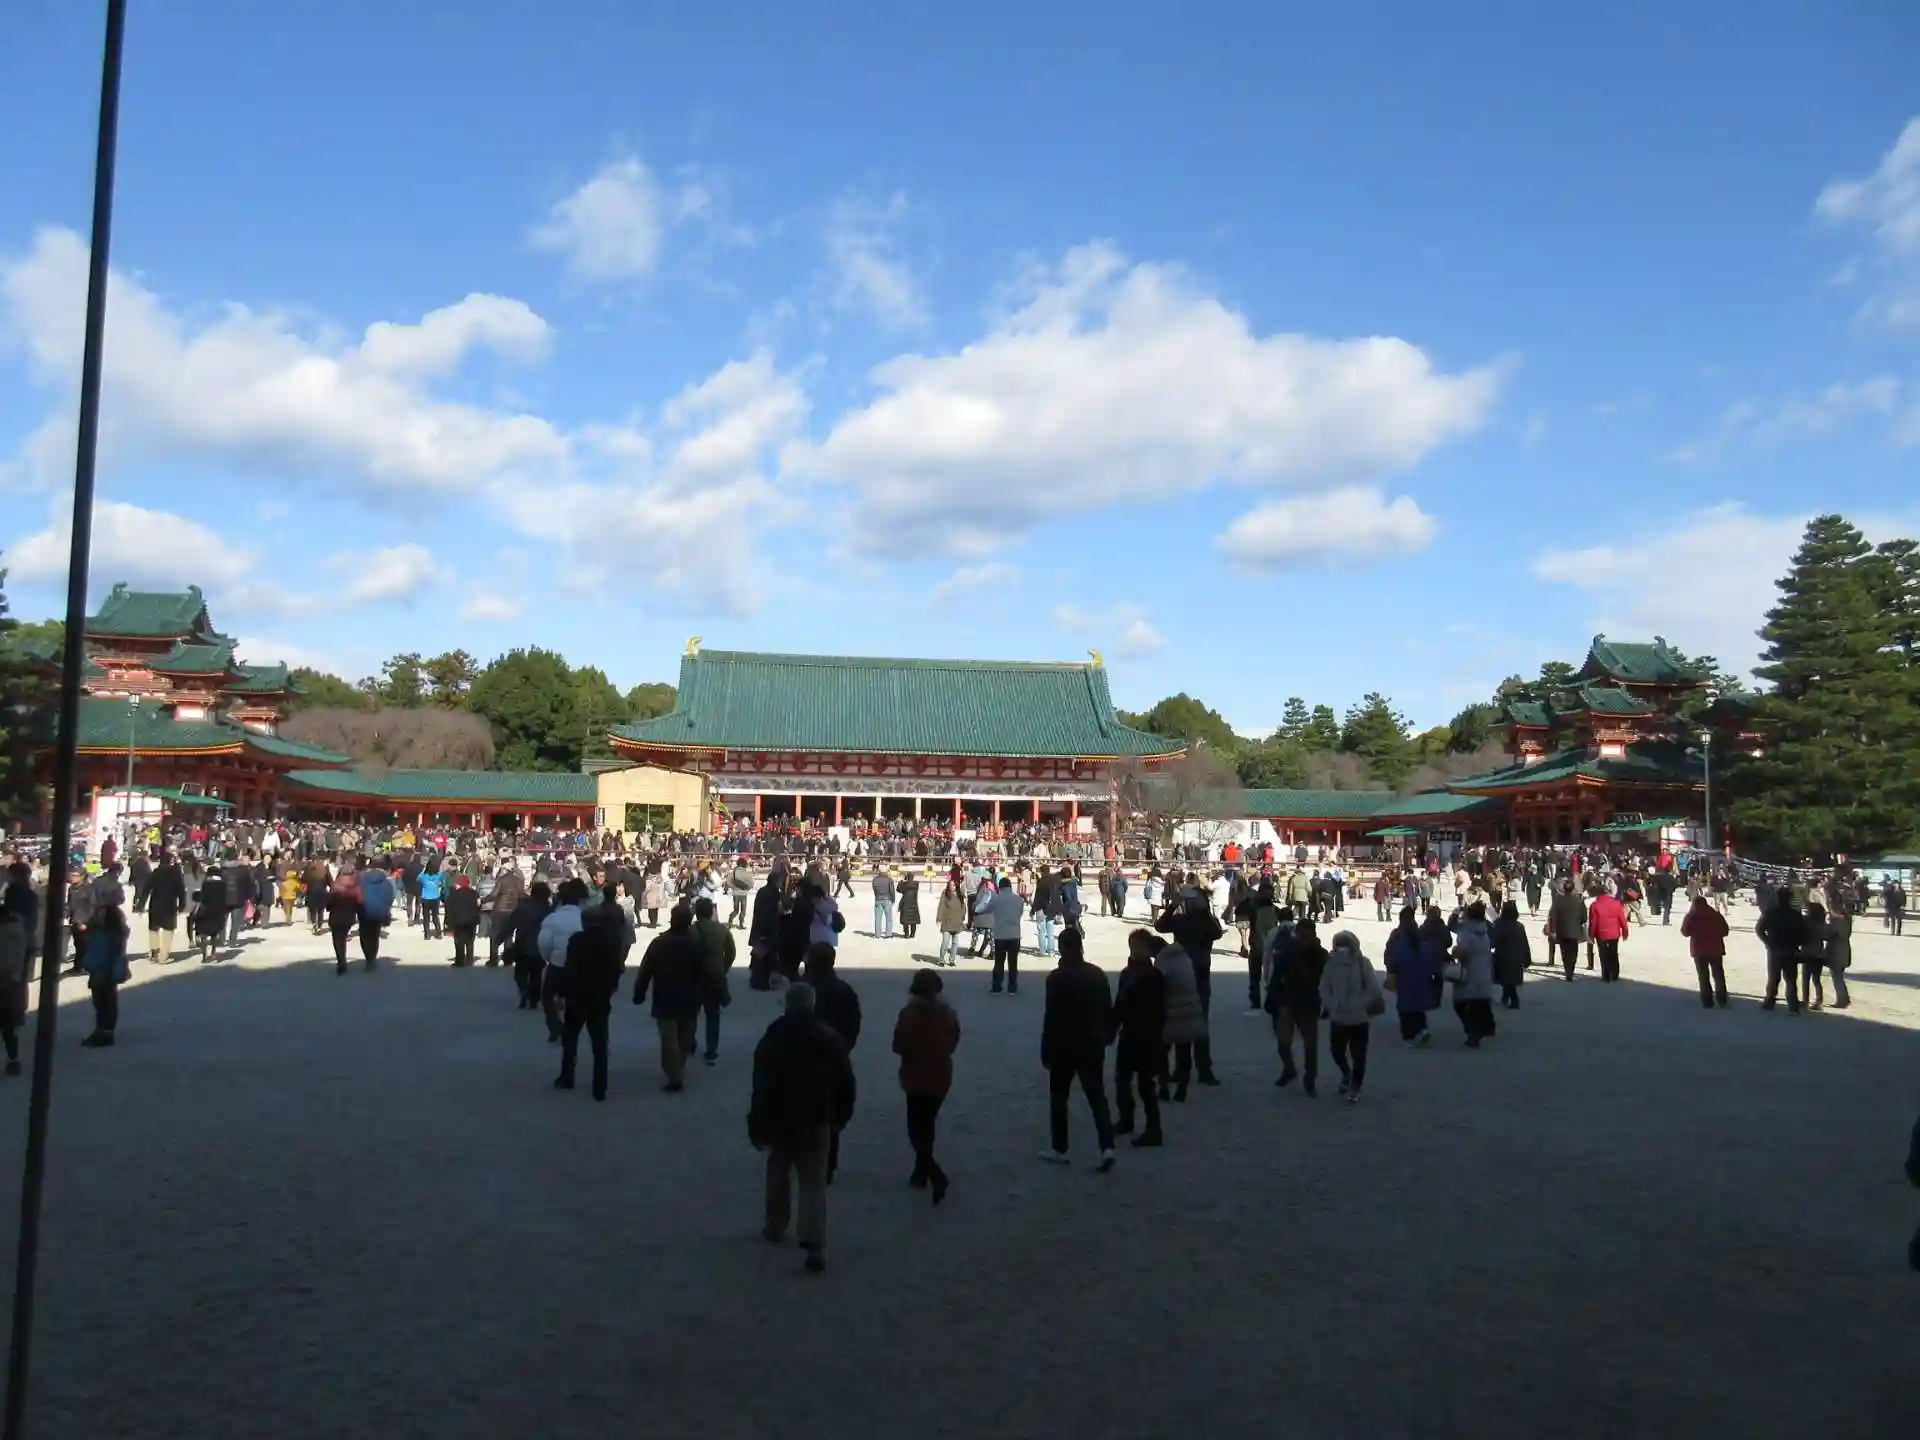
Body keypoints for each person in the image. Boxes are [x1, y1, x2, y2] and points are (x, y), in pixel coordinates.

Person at [750, 982, 856, 1274]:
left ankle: (775, 1225)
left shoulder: (774, 1035)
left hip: (781, 1116)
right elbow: (845, 1080)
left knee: (778, 1174)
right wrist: (841, 1115)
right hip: (817, 1117)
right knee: (813, 1181)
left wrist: (757, 1120)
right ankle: (814, 1240)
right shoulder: (828, 1036)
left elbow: (761, 1082)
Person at [1038, 927, 1116, 1171]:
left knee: (1059, 1099)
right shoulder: (1097, 974)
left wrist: (1046, 1049)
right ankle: (1107, 1147)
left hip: (1064, 1045)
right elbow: (1108, 1010)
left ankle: (1059, 1147)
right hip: (1092, 1043)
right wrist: (1107, 1036)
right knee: (1097, 1097)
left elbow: (1051, 1017)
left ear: (1062, 948)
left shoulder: (1056, 978)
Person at [892, 968, 960, 1203]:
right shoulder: (949, 1014)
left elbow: (898, 1045)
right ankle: (921, 1172)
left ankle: (932, 1172)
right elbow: (954, 1042)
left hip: (916, 1074)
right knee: (927, 1123)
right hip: (941, 1073)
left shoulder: (909, 1015)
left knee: (916, 1128)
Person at [631, 904, 708, 1093]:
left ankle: (674, 1074)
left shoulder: (660, 943)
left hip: (665, 997)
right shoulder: (697, 943)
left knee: (669, 1038)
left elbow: (646, 969)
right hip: (690, 998)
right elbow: (707, 970)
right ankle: (678, 1067)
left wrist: (639, 991)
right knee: (685, 1036)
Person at [802, 941, 862, 1181]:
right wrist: (844, 1047)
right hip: (835, 1057)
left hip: (808, 1060)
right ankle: (828, 1165)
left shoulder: (805, 989)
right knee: (831, 1114)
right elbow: (854, 1024)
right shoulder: (844, 990)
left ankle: (807, 1159)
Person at [557, 902, 623, 1102]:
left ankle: (567, 1076)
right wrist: (611, 987)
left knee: (570, 1039)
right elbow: (617, 968)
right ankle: (600, 1085)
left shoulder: (577, 940)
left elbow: (569, 968)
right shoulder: (612, 941)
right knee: (600, 1044)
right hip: (600, 997)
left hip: (578, 996)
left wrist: (564, 991)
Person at [1112, 929, 1167, 1146]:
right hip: (1129, 1035)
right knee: (1122, 1081)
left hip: (1147, 1038)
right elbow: (1119, 1004)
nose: (1134, 950)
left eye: (1139, 946)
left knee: (1145, 1086)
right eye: (1132, 945)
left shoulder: (1154, 976)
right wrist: (1111, 1028)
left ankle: (1154, 1129)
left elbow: (1159, 1011)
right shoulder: (1127, 974)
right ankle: (1126, 1120)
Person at [1319, 929, 1384, 1103]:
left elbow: (1374, 988)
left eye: (1345, 944)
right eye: (1339, 944)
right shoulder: (1331, 963)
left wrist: (1359, 1003)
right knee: (1336, 1051)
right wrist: (1332, 1004)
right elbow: (1324, 986)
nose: (1342, 948)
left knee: (1358, 1055)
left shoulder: (1363, 963)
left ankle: (1355, 1086)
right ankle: (1346, 1073)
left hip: (1359, 1018)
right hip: (1338, 1017)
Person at [1267, 916, 1327, 1094]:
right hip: (1288, 1000)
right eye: (1301, 936)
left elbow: (1327, 981)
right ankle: (1289, 1069)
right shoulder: (1287, 952)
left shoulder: (1321, 955)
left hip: (1309, 1003)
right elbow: (1276, 976)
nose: (1303, 940)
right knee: (1283, 1041)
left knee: (1310, 1043)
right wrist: (1273, 995)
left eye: (1306, 936)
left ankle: (1310, 1078)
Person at [80, 902, 131, 1048]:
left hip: (101, 971)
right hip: (107, 971)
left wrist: (87, 961)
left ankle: (103, 1031)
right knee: (107, 1002)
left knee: (102, 1003)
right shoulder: (116, 933)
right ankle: (105, 1031)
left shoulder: (103, 935)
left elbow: (98, 953)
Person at [691, 896, 735, 1065]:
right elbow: (731, 952)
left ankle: (689, 1042)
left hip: (694, 977)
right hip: (715, 976)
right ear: (711, 912)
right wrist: (723, 968)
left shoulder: (691, 931)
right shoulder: (722, 929)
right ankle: (711, 1050)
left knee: (691, 1013)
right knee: (713, 1015)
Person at [1384, 906, 1437, 1046]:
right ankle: (1422, 1029)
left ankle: (1409, 1037)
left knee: (1405, 1008)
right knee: (1418, 1005)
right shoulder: (1420, 933)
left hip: (1404, 974)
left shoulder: (1397, 935)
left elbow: (1391, 953)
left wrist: (1390, 969)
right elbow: (1429, 951)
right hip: (1421, 973)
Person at [1449, 901, 1498, 1047]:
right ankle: (1484, 1028)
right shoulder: (1484, 931)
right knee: (1479, 1005)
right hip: (1484, 972)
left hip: (1469, 973)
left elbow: (1463, 952)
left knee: (1460, 1004)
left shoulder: (1466, 932)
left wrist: (1455, 951)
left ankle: (1473, 1033)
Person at [505, 880, 555, 1017]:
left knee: (520, 973)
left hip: (523, 945)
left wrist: (500, 938)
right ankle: (534, 998)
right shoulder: (548, 910)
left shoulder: (522, 907)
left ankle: (524, 992)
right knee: (536, 974)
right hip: (539, 946)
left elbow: (510, 923)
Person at [1755, 888, 1807, 1014]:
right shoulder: (1795, 914)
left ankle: (1770, 1001)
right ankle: (1793, 1005)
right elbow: (1804, 933)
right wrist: (1798, 944)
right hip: (1790, 949)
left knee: (1774, 977)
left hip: (1775, 949)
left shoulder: (1771, 912)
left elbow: (1759, 929)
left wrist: (1767, 942)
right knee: (1791, 979)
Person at [1679, 893, 1731, 1008]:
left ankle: (1707, 1001)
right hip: (1716, 949)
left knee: (1703, 976)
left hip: (1699, 950)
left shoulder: (1691, 916)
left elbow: (1685, 932)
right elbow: (1725, 931)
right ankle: (1722, 999)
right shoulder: (1716, 915)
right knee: (1718, 975)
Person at [0, 898, 29, 1075]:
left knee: (7, 1024)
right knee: (8, 1026)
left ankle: (13, 1060)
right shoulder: (18, 929)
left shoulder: (8, 933)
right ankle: (13, 1060)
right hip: (11, 981)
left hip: (6, 981)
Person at [145, 851, 187, 965]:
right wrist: (182, 904)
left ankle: (154, 953)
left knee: (154, 929)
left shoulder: (156, 872)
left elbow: (147, 888)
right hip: (169, 905)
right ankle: (163, 956)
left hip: (155, 904)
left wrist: (140, 905)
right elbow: (181, 890)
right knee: (168, 930)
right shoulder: (176, 874)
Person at [1490, 900, 1531, 1009]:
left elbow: (1492, 942)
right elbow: (1524, 943)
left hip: (1503, 957)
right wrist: (1527, 956)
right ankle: (1505, 997)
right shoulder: (1520, 926)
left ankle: (1514, 999)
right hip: (1518, 957)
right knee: (1510, 978)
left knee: (1507, 979)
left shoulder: (1499, 925)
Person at [1546, 878, 1587, 980]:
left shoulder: (1558, 900)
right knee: (1573, 951)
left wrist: (1553, 929)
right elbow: (1584, 917)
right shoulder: (1579, 900)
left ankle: (1567, 970)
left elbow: (1553, 915)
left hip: (1562, 929)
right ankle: (1571, 970)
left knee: (1564, 951)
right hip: (1575, 929)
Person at [357, 861, 395, 970]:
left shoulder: (361, 880)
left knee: (364, 935)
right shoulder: (386, 882)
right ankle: (372, 958)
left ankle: (367, 955)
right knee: (374, 935)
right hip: (379, 911)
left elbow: (357, 894)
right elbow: (390, 897)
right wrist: (386, 908)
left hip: (364, 910)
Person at [989, 876, 1024, 994]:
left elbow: (987, 909)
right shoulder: (1018, 899)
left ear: (1000, 887)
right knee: (1013, 963)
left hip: (1000, 934)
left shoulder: (996, 898)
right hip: (1014, 934)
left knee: (999, 962)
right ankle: (1012, 988)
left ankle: (997, 987)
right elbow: (1020, 913)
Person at [1587, 885, 1629, 983]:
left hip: (1600, 933)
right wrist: (1625, 932)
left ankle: (1606, 975)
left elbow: (1593, 922)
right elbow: (1622, 919)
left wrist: (1591, 934)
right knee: (1613, 952)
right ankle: (1615, 974)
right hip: (1614, 932)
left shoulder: (1595, 905)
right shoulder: (1616, 904)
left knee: (1603, 954)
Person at [487, 859, 525, 965]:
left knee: (494, 935)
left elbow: (494, 894)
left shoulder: (501, 880)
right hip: (513, 911)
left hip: (499, 910)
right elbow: (522, 895)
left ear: (506, 870)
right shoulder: (519, 881)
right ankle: (508, 959)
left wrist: (483, 900)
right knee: (509, 935)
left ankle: (493, 960)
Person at [325, 869, 363, 975]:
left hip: (335, 917)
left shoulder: (335, 886)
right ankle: (342, 960)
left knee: (337, 940)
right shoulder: (355, 887)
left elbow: (328, 904)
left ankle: (341, 961)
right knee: (342, 938)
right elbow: (359, 904)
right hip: (348, 918)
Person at [192, 863, 228, 964]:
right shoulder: (224, 885)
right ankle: (213, 952)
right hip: (218, 912)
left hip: (207, 911)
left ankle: (204, 956)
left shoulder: (206, 884)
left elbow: (203, 898)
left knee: (204, 934)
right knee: (214, 934)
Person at [1801, 901, 1832, 1012]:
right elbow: (1826, 936)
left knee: (1806, 979)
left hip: (1807, 952)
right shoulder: (1822, 924)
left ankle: (1805, 1001)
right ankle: (1819, 1001)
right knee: (1816, 979)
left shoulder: (1807, 922)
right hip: (1819, 953)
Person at [444, 874, 482, 967]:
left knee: (459, 942)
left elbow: (449, 909)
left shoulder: (454, 894)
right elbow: (478, 905)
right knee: (470, 941)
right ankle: (469, 960)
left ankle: (459, 961)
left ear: (460, 883)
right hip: (471, 921)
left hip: (459, 921)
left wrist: (448, 922)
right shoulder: (474, 893)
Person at [934, 878, 968, 968]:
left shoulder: (960, 895)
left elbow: (963, 907)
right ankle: (941, 960)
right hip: (947, 921)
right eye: (951, 885)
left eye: (954, 885)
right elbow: (941, 906)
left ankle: (952, 960)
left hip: (957, 922)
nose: (952, 887)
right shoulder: (945, 894)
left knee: (955, 943)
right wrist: (939, 919)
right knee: (945, 942)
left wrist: (962, 917)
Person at [727, 860, 755, 930]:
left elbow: (728, 882)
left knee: (735, 910)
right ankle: (741, 924)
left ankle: (730, 922)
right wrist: (745, 889)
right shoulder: (746, 874)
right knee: (743, 910)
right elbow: (751, 884)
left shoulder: (733, 873)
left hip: (735, 894)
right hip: (743, 894)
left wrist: (734, 888)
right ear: (745, 865)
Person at [871, 866, 897, 939]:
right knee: (889, 918)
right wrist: (893, 899)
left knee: (878, 918)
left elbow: (874, 889)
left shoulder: (875, 880)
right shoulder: (889, 880)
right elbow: (892, 891)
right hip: (887, 899)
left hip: (878, 899)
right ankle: (888, 934)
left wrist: (877, 896)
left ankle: (877, 934)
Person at [898, 869, 921, 940]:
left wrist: (901, 881)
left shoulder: (904, 884)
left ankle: (906, 933)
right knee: (913, 920)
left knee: (905, 920)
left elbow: (898, 889)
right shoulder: (916, 884)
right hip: (913, 903)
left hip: (905, 903)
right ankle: (912, 933)